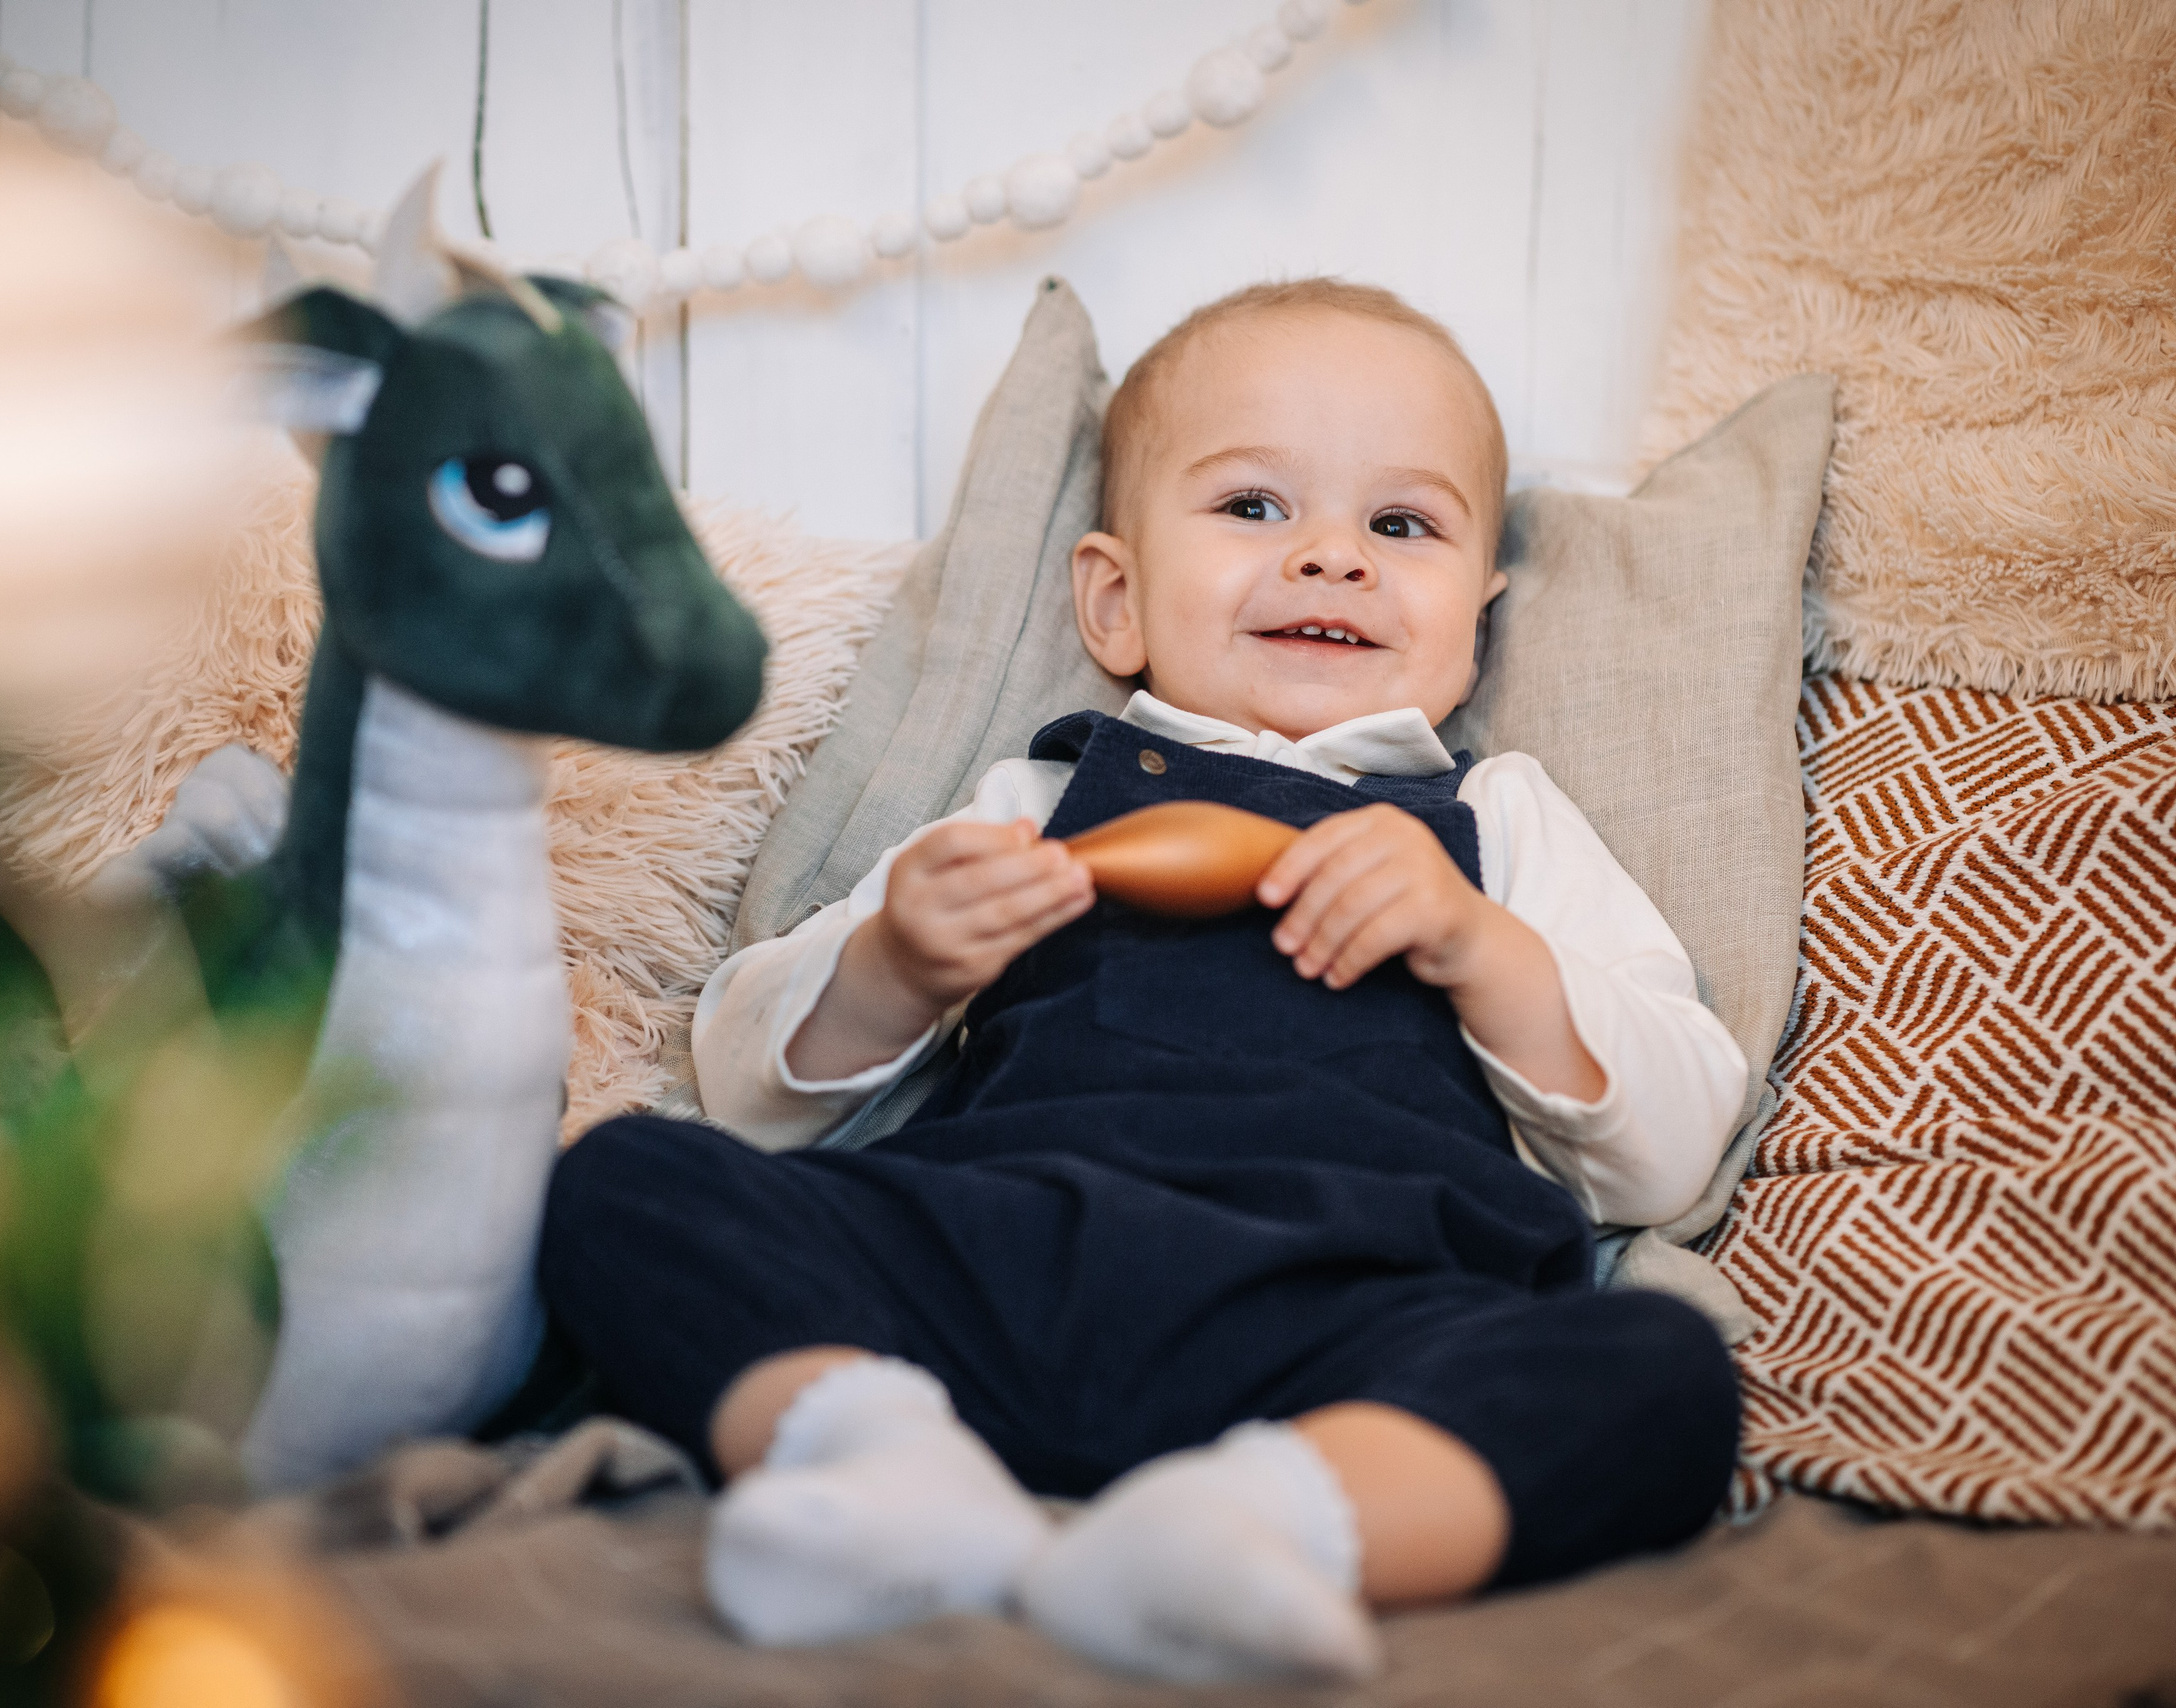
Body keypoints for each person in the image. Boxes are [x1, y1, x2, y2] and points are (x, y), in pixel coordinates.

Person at [536, 278, 1748, 1682]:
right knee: (627, 1180)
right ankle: (879, 1465)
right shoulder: (1036, 797)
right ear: (1113, 598)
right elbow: (750, 1097)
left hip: (1351, 1319)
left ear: (1474, 618)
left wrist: (1481, 948)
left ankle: (1270, 1526)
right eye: (1254, 507)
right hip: (990, 1269)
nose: (1335, 559)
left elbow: (1666, 1151)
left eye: (1401, 526)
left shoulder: (1502, 825)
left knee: (1659, 1370)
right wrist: (900, 962)